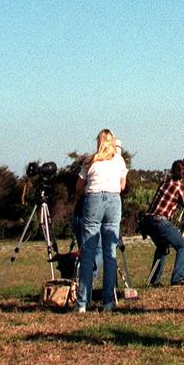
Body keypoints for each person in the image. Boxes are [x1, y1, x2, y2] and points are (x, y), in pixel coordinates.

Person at [74, 128, 127, 313]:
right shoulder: (119, 160)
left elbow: (78, 186)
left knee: (88, 252)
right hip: (113, 199)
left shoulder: (91, 160)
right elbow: (122, 185)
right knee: (109, 252)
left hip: (94, 199)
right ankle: (108, 302)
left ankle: (82, 302)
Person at [144, 159, 184, 287]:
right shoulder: (180, 187)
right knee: (183, 246)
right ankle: (176, 279)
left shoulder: (163, 183)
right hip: (161, 221)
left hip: (148, 221)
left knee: (162, 247)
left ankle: (154, 281)